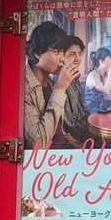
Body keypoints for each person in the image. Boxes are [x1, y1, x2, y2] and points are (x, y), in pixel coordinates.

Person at [23, 21, 77, 150]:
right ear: (37, 53)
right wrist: (60, 89)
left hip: (63, 150)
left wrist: (75, 143)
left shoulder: (50, 82)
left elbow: (58, 129)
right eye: (56, 52)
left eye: (63, 52)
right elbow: (38, 144)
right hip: (47, 158)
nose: (63, 59)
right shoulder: (24, 87)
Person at [56, 36, 92, 147]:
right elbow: (64, 127)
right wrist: (78, 145)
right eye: (72, 54)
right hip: (74, 142)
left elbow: (83, 111)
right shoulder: (59, 82)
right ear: (62, 56)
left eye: (79, 54)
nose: (77, 59)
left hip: (85, 133)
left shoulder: (75, 79)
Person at [84, 45, 111, 114]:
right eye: (109, 59)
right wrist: (110, 73)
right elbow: (106, 91)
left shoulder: (106, 73)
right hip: (92, 112)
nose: (110, 62)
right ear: (101, 61)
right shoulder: (93, 75)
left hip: (104, 109)